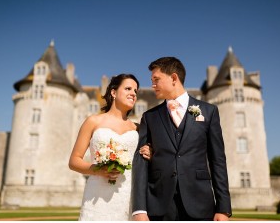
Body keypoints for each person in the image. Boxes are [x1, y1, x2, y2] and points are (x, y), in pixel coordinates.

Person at [132, 57, 232, 221]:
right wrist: (139, 209)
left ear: (173, 78)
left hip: (200, 203)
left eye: (156, 79)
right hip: (159, 205)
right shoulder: (149, 117)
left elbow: (218, 160)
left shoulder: (209, 111)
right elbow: (141, 162)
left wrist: (223, 208)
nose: (152, 85)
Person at [69, 73, 151, 221]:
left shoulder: (139, 128)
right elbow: (74, 161)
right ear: (113, 92)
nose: (133, 93)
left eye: (135, 91)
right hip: (96, 196)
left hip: (128, 196)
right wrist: (98, 170)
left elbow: (146, 162)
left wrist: (150, 153)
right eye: (128, 89)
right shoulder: (93, 121)